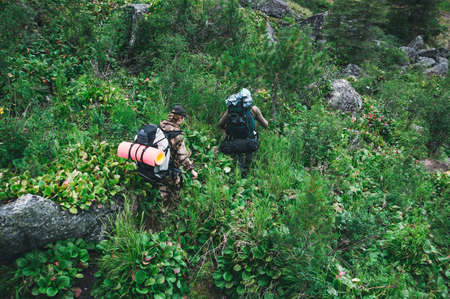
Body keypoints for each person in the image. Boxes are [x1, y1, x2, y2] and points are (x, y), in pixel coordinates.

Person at [218, 89, 268, 175]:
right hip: (249, 143)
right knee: (247, 163)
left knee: (234, 165)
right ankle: (246, 172)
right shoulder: (253, 110)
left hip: (232, 142)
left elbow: (220, 124)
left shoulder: (231, 109)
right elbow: (266, 125)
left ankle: (234, 174)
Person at [159, 104, 198, 203]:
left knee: (160, 188)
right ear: (180, 118)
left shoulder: (161, 126)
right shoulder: (177, 135)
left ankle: (159, 205)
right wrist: (191, 170)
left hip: (156, 162)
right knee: (175, 191)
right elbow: (182, 156)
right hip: (169, 168)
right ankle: (168, 209)